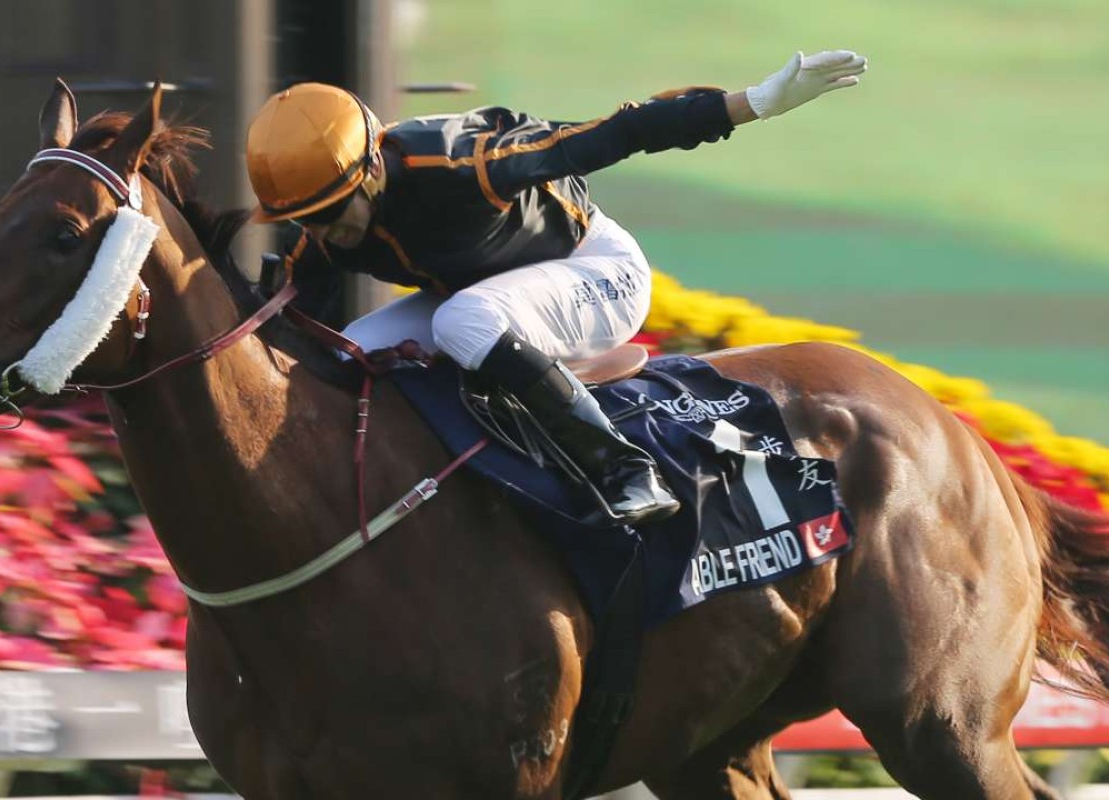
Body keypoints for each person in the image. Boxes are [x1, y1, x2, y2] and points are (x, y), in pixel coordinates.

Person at [244, 49, 868, 527]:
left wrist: (752, 102)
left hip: (596, 272)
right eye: (306, 217)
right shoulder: (322, 232)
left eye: (332, 208)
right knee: (347, 349)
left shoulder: (467, 163)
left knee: (461, 321)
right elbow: (281, 323)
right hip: (484, 294)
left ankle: (625, 467)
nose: (324, 229)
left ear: (373, 166)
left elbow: (616, 131)